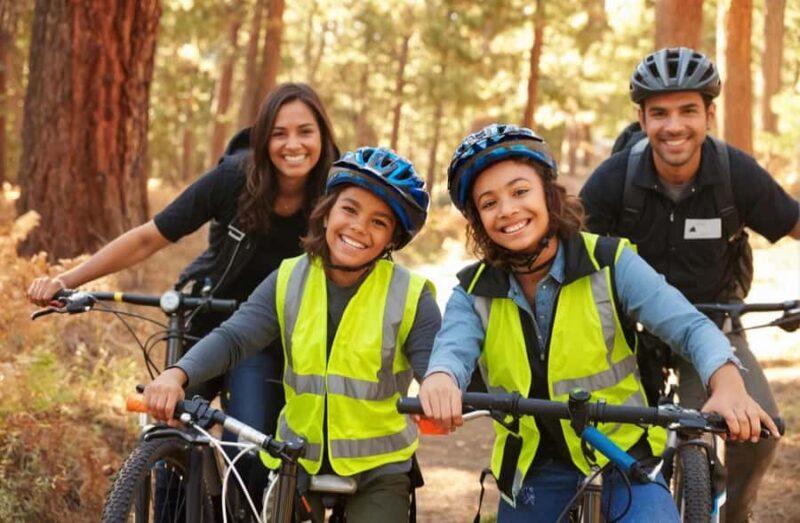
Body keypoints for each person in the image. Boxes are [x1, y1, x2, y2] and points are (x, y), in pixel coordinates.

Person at [418, 124, 780, 523]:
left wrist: (726, 383)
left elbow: (691, 326)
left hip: (623, 460)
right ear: (477, 219)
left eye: (520, 192)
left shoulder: (610, 262)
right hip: (534, 472)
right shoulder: (472, 291)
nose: (507, 210)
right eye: (488, 203)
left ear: (548, 193)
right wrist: (441, 378)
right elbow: (452, 348)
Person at [27, 82, 340, 492]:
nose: (292, 144)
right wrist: (65, 281)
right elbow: (148, 238)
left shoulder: (335, 194)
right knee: (169, 433)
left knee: (245, 451)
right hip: (205, 323)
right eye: (279, 133)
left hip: (268, 338)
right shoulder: (233, 178)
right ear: (263, 139)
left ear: (323, 137)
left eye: (304, 131)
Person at [143, 147, 441, 522]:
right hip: (294, 459)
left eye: (379, 223)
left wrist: (438, 388)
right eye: (349, 209)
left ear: (391, 240)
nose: (359, 228)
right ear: (327, 210)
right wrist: (178, 373)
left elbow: (437, 369)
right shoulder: (289, 278)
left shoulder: (413, 295)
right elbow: (236, 337)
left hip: (378, 469)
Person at [579, 47, 800, 522]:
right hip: (627, 328)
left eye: (687, 111)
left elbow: (795, 223)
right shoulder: (613, 179)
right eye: (659, 113)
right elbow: (568, 250)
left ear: (709, 114)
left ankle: (733, 512)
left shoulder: (733, 172)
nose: (673, 126)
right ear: (641, 118)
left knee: (762, 429)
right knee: (602, 431)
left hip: (715, 323)